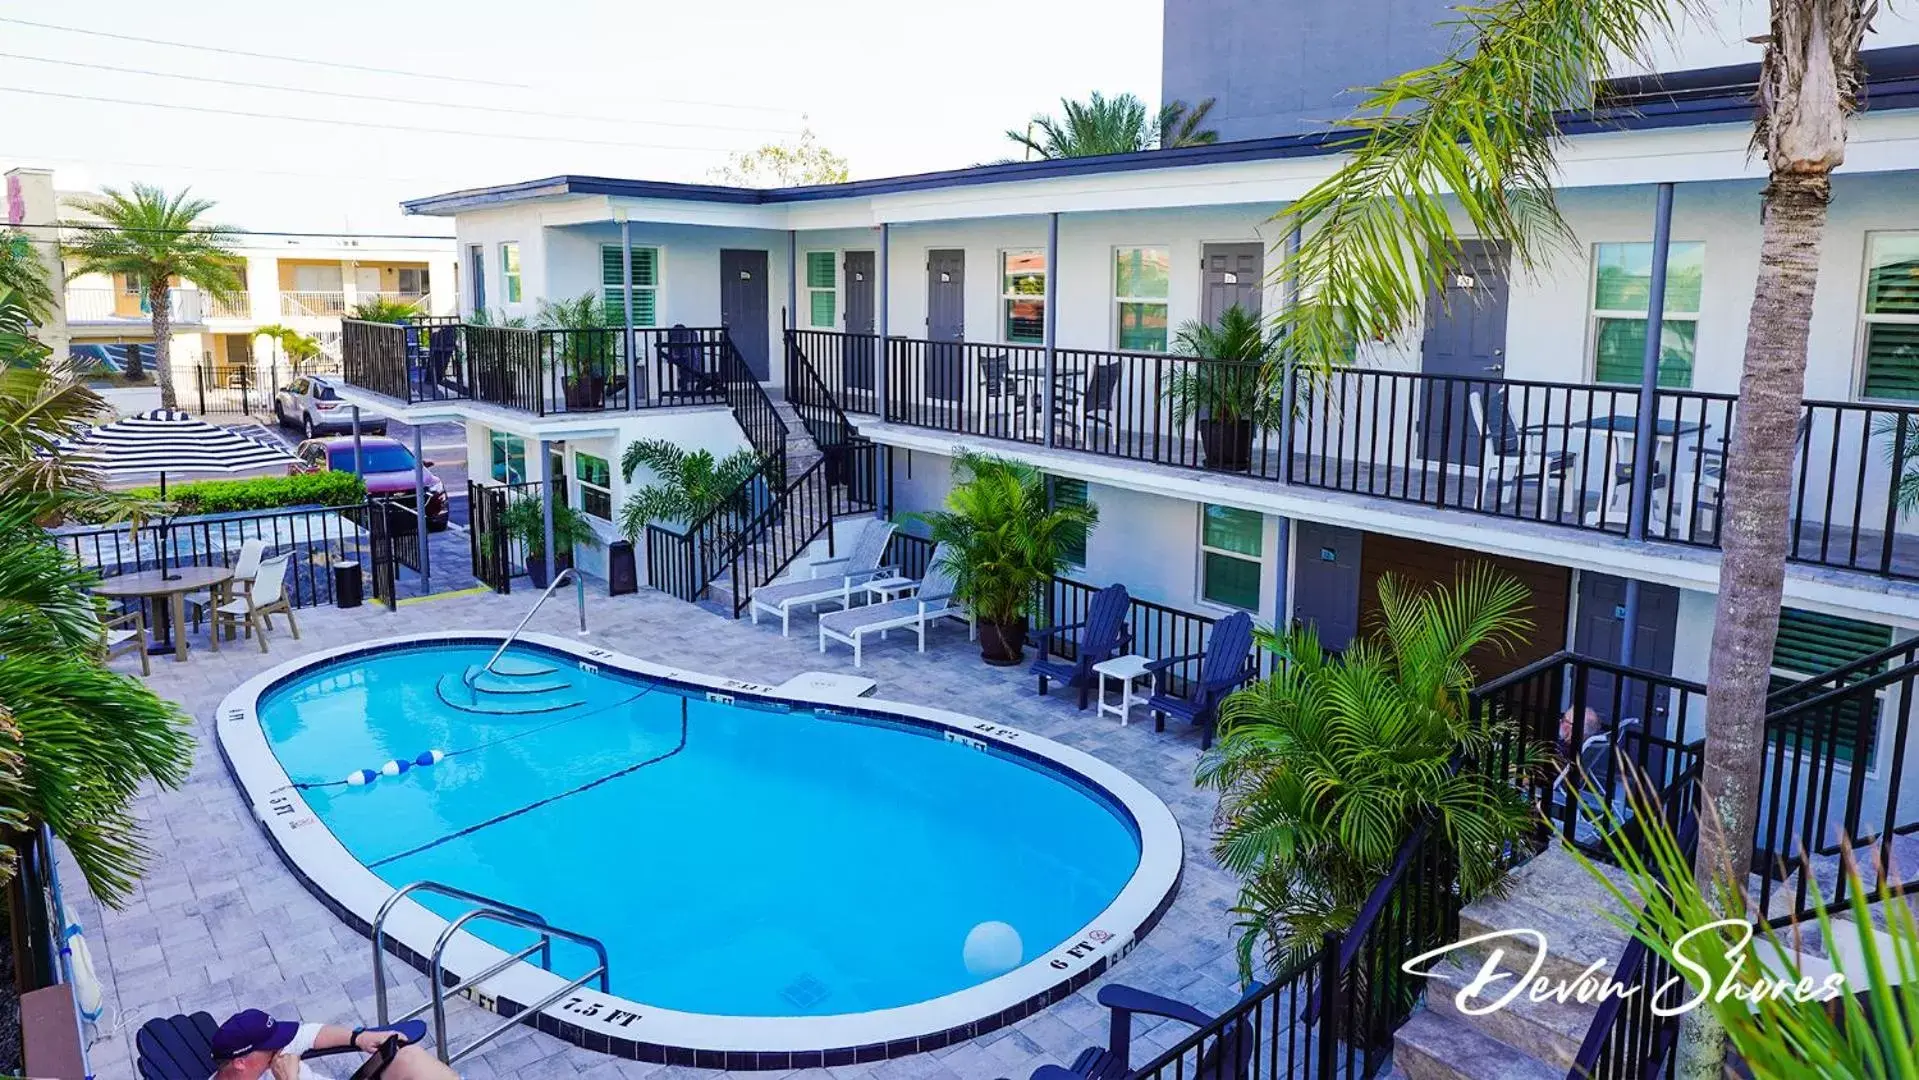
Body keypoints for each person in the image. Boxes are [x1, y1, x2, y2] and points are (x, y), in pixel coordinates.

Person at [211, 1009, 459, 1080]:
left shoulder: (270, 1056)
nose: (281, 1048)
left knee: (411, 1058)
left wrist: (358, 1038)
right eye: (272, 1045)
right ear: (241, 1062)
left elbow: (310, 1033)